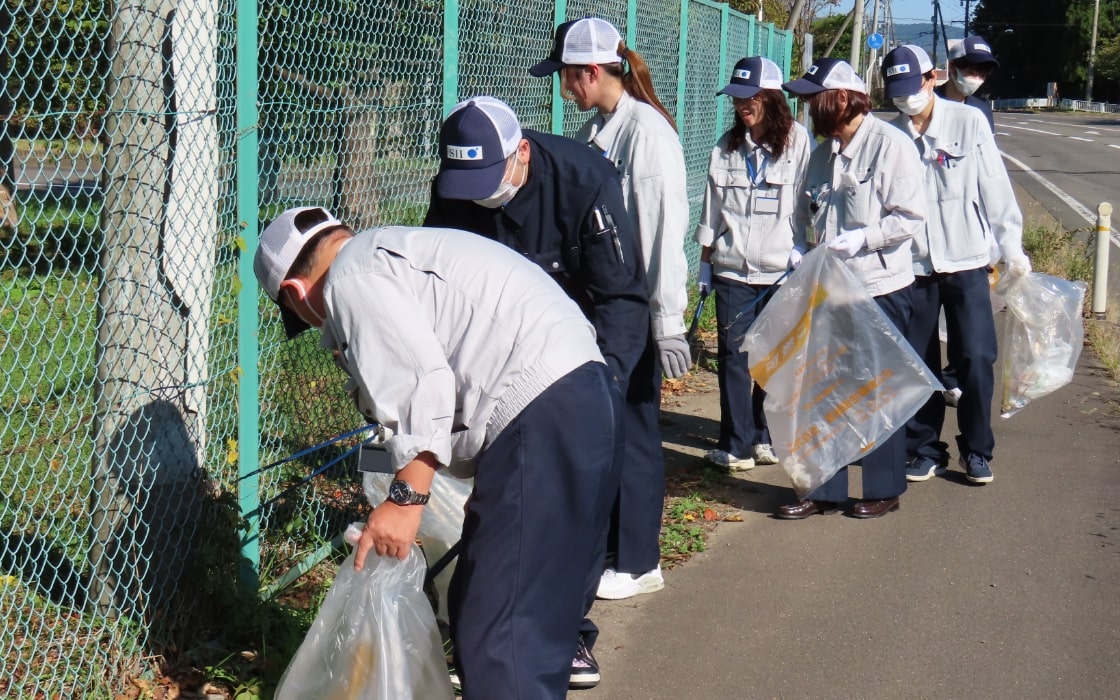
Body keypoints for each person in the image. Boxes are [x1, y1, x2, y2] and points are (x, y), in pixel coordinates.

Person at [252, 206, 618, 700]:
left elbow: (421, 386)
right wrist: (387, 493)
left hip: (541, 412)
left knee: (498, 632)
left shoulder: (352, 275)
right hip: (583, 398)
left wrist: (405, 500)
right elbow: (393, 419)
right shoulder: (394, 253)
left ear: (295, 295)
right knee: (515, 613)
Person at [423, 94, 649, 690]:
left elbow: (620, 296)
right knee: (505, 514)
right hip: (498, 369)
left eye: (488, 178)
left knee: (577, 499)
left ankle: (569, 633)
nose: (477, 194)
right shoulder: (455, 189)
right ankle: (485, 630)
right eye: (463, 181)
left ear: (520, 153)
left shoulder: (584, 182)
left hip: (579, 355)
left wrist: (605, 388)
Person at [529, 16, 689, 609]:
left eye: (569, 77)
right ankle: (622, 549)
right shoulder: (604, 129)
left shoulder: (645, 134)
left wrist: (666, 319)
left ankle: (641, 560)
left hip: (636, 307)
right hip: (606, 305)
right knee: (615, 428)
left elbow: (662, 231)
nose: (565, 88)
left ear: (591, 71)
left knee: (638, 434)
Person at [777, 57, 927, 519]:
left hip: (880, 285)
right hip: (830, 288)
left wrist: (866, 236)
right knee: (824, 386)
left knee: (876, 388)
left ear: (840, 98)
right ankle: (822, 486)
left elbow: (910, 217)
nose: (806, 109)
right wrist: (801, 249)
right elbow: (806, 215)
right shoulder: (822, 154)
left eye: (812, 99)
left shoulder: (890, 146)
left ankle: (884, 486)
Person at [881, 45, 1030, 486]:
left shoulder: (969, 122)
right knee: (919, 361)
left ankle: (978, 449)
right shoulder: (892, 136)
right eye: (897, 91)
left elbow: (995, 188)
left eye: (913, 87)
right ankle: (925, 449)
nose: (906, 99)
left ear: (932, 77)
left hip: (966, 260)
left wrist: (1012, 246)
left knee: (977, 356)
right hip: (914, 265)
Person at [693, 56, 811, 473]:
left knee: (774, 360)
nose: (741, 105)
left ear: (771, 98)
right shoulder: (725, 147)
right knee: (733, 359)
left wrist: (804, 248)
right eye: (737, 97)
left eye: (750, 97)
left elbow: (806, 202)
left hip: (781, 271)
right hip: (731, 270)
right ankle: (737, 443)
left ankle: (766, 436)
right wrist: (705, 264)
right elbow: (711, 212)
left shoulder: (797, 142)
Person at [936, 36, 999, 133]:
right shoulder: (928, 102)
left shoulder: (982, 110)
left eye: (982, 75)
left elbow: (988, 146)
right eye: (971, 73)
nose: (977, 80)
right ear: (952, 67)